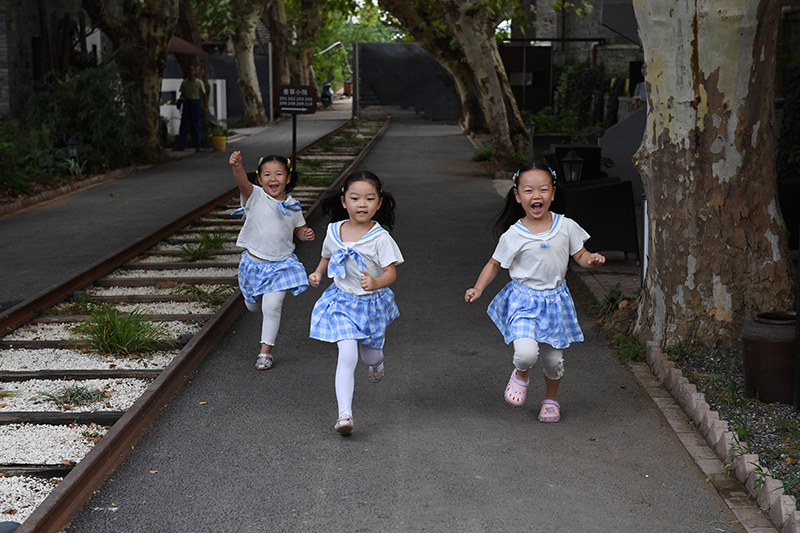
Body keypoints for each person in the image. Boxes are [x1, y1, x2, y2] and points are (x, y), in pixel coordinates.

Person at [465, 161, 605, 423]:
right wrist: (478, 287)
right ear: (518, 196)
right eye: (528, 191)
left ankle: (551, 400)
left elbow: (581, 255)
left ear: (553, 193)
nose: (536, 196)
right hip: (523, 301)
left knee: (554, 361)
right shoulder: (513, 234)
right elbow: (495, 263)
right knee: (526, 353)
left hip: (555, 302)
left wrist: (592, 260)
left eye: (543, 189)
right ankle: (521, 372)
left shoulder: (566, 227)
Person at [308, 171, 403, 436]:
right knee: (347, 355)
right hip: (342, 302)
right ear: (343, 202)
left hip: (370, 304)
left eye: (369, 199)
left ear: (379, 204)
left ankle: (376, 363)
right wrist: (317, 272)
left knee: (370, 354)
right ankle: (344, 414)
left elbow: (391, 273)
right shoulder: (333, 231)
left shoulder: (380, 237)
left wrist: (376, 282)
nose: (362, 204)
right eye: (355, 198)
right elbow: (327, 256)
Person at [229, 151, 315, 370]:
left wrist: (305, 234)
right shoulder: (255, 195)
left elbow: (299, 228)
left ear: (287, 178)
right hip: (253, 264)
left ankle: (265, 353)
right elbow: (241, 182)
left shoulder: (293, 205)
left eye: (279, 174)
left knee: (272, 306)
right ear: (259, 179)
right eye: (267, 174)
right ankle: (251, 299)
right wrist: (237, 166)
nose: (273, 179)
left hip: (281, 265)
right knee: (252, 306)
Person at [178, 66, 207, 152]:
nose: (190, 72)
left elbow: (204, 95)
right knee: (184, 124)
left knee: (196, 124)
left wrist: (205, 107)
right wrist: (180, 100)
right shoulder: (185, 83)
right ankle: (181, 145)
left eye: (192, 70)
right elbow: (183, 93)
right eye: (189, 70)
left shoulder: (199, 83)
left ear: (195, 72)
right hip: (187, 103)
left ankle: (198, 144)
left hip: (196, 103)